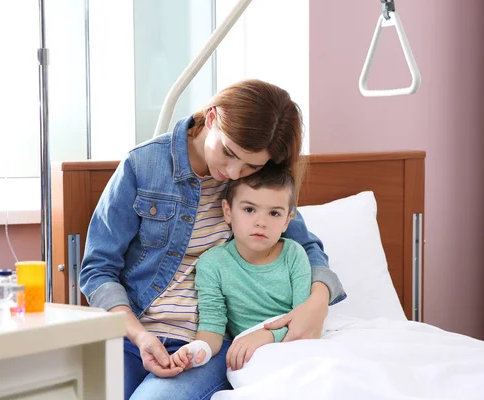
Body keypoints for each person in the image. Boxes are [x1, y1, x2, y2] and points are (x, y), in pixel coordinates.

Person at [79, 79, 346, 400]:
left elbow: (308, 248)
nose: (234, 172)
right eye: (229, 153)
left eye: (251, 164)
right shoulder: (143, 165)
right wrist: (139, 336)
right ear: (211, 117)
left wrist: (317, 305)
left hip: (209, 342)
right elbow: (98, 269)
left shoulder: (254, 184)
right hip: (131, 335)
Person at [169, 163, 312, 373]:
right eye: (249, 209)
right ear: (228, 212)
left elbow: (303, 319)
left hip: (294, 348)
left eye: (274, 213)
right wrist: (198, 350)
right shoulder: (213, 263)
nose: (261, 222)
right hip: (250, 360)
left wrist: (265, 336)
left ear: (287, 221)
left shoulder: (294, 255)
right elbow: (212, 327)